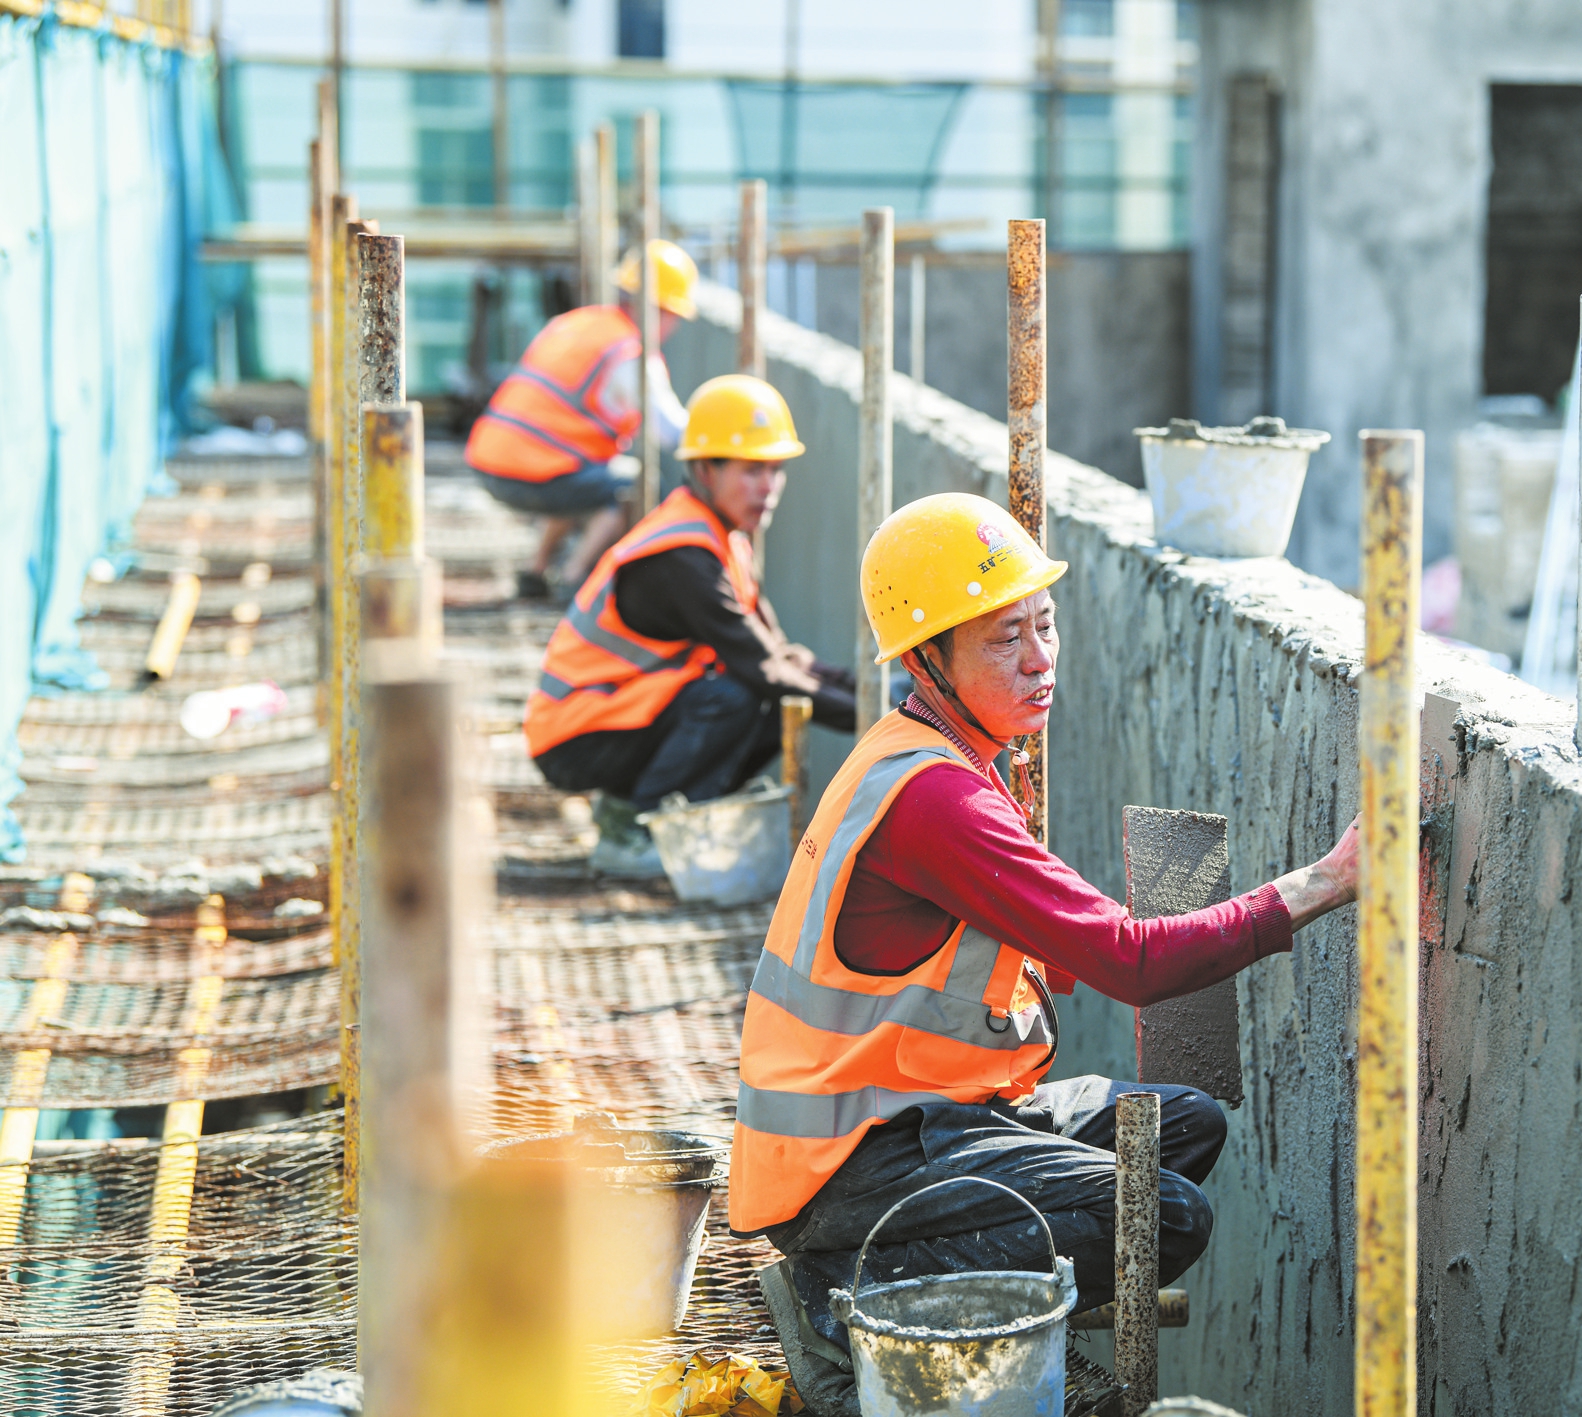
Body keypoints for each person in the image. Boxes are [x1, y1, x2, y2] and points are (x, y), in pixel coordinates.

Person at [731, 492, 1361, 1414]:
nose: (1039, 659)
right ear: (924, 660)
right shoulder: (936, 801)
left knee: (1184, 1125)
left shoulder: (933, 755)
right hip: (848, 1166)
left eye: (1045, 624)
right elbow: (1134, 964)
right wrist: (1327, 881)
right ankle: (849, 1303)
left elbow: (1052, 947)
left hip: (920, 1113)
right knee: (1163, 1214)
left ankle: (932, 1290)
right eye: (1001, 640)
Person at [523, 374, 857, 876]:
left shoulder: (724, 539)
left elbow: (782, 655)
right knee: (739, 695)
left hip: (614, 722)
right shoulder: (683, 556)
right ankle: (638, 830)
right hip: (574, 737)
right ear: (705, 469)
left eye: (775, 470)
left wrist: (880, 693)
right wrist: (874, 718)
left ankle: (650, 820)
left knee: (776, 707)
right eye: (751, 471)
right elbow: (764, 669)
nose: (768, 488)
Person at [464, 238, 697, 601]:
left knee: (584, 472)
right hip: (530, 475)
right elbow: (671, 433)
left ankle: (535, 571)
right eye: (674, 317)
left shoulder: (579, 323)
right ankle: (573, 578)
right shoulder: (630, 355)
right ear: (660, 310)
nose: (674, 328)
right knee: (634, 486)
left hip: (489, 461)